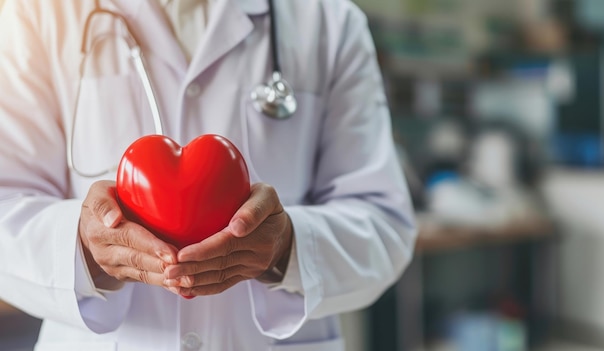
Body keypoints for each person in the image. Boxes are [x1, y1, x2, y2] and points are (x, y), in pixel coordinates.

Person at [0, 0, 417, 350]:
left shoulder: (328, 20)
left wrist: (285, 248)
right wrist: (86, 246)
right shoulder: (36, 14)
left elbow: (384, 223)